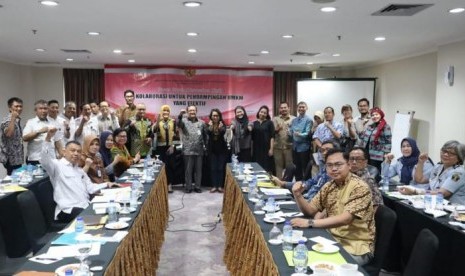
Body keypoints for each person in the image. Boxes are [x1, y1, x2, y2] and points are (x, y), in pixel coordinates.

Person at [290, 148, 375, 265]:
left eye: (338, 164)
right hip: (331, 238)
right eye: (329, 165)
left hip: (356, 246)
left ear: (349, 165)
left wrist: (309, 223)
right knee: (298, 254)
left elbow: (346, 219)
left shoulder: (360, 187)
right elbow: (310, 211)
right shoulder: (329, 185)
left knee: (320, 265)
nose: (334, 169)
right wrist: (298, 195)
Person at [40, 127, 119, 223]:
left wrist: (107, 184)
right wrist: (48, 139)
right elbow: (44, 160)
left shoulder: (79, 171)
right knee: (98, 221)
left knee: (111, 212)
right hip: (68, 210)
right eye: (72, 151)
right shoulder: (57, 166)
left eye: (78, 151)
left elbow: (90, 188)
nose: (76, 154)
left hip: (85, 206)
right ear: (64, 152)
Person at [399, 140, 465, 205]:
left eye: (451, 153)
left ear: (459, 157)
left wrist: (415, 191)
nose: (445, 154)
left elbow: (443, 193)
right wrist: (421, 162)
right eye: (444, 151)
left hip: (455, 209)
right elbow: (420, 179)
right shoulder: (438, 167)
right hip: (437, 204)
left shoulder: (458, 173)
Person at [272, 140, 338, 200]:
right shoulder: (324, 168)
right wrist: (283, 184)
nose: (324, 153)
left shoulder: (335, 174)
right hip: (306, 198)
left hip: (312, 204)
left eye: (328, 150)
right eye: (322, 150)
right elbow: (310, 182)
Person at [178, 105, 207, 193]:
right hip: (188, 150)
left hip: (199, 150)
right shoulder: (183, 121)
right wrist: (180, 115)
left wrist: (206, 146)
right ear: (187, 112)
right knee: (188, 171)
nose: (192, 112)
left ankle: (197, 187)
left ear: (196, 111)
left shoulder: (202, 123)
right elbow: (178, 124)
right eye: (190, 111)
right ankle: (188, 187)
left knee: (198, 170)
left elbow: (205, 136)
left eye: (193, 110)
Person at [23, 99, 61, 165]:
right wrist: (39, 131)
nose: (43, 111)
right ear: (36, 110)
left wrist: (62, 156)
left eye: (45, 108)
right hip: (35, 159)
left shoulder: (53, 123)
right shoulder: (30, 122)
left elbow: (58, 142)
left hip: (51, 158)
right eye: (40, 108)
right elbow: (25, 138)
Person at [358, 107, 392, 178]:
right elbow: (361, 136)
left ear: (381, 115)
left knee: (375, 174)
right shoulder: (370, 126)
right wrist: (363, 125)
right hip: (367, 154)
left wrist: (386, 153)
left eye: (376, 114)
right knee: (366, 172)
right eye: (372, 115)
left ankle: (375, 187)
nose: (374, 116)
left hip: (378, 155)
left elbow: (388, 141)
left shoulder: (385, 126)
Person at [349, 146, 383, 211]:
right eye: (351, 159)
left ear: (365, 162)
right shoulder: (346, 176)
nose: (354, 162)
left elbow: (376, 205)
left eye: (358, 159)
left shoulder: (368, 180)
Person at [153, 105, 177, 193]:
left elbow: (176, 135)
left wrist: (173, 146)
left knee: (170, 166)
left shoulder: (173, 121)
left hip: (170, 147)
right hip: (159, 148)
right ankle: (160, 185)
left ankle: (169, 184)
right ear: (161, 112)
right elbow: (154, 132)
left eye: (167, 111)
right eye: (164, 111)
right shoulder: (158, 122)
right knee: (160, 166)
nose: (166, 112)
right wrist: (157, 121)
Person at [206, 109, 228, 193]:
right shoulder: (208, 124)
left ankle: (219, 186)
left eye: (217, 116)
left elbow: (223, 133)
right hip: (212, 150)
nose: (215, 117)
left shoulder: (222, 124)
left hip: (221, 150)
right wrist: (210, 128)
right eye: (213, 115)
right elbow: (208, 133)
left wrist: (219, 129)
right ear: (211, 117)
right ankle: (214, 186)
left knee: (220, 168)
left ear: (219, 117)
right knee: (213, 168)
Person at [0, 97, 24, 175]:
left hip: (17, 157)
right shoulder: (7, 120)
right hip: (10, 158)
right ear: (10, 108)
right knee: (13, 182)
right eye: (16, 106)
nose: (19, 108)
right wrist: (13, 118)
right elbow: (8, 134)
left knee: (17, 180)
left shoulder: (17, 120)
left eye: (20, 106)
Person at [290, 101, 313, 181]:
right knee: (297, 168)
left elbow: (307, 133)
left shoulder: (309, 120)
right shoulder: (294, 120)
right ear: (297, 109)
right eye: (299, 107)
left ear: (306, 108)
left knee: (306, 169)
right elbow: (291, 132)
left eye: (303, 107)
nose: (301, 108)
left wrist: (299, 134)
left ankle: (307, 187)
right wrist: (288, 132)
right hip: (295, 148)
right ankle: (297, 185)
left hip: (304, 148)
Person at [273, 102, 295, 179]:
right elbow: (271, 133)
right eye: (281, 108)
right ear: (279, 109)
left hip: (289, 147)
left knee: (289, 168)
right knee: (278, 167)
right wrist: (276, 129)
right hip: (277, 147)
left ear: (289, 108)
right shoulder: (275, 119)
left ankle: (287, 185)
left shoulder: (294, 119)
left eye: (285, 107)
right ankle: (279, 185)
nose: (283, 109)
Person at [251, 105, 275, 173]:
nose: (263, 114)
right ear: (259, 112)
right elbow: (252, 138)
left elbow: (272, 137)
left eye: (265, 113)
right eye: (261, 112)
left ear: (267, 114)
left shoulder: (270, 123)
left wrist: (271, 149)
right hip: (256, 148)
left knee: (266, 167)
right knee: (256, 166)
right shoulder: (254, 123)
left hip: (266, 148)